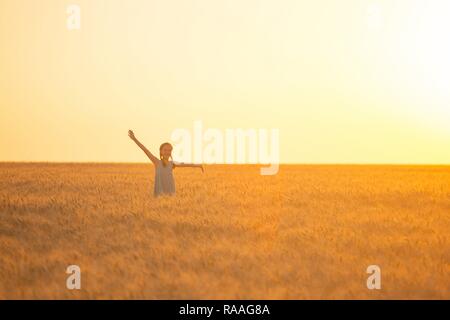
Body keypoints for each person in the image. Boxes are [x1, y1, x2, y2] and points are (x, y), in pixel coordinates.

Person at [128, 130, 203, 196]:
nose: (167, 152)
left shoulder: (172, 163)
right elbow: (145, 150)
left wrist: (198, 165)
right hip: (159, 193)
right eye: (165, 150)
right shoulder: (157, 162)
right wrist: (134, 139)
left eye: (169, 150)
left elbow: (185, 164)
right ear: (160, 151)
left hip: (171, 192)